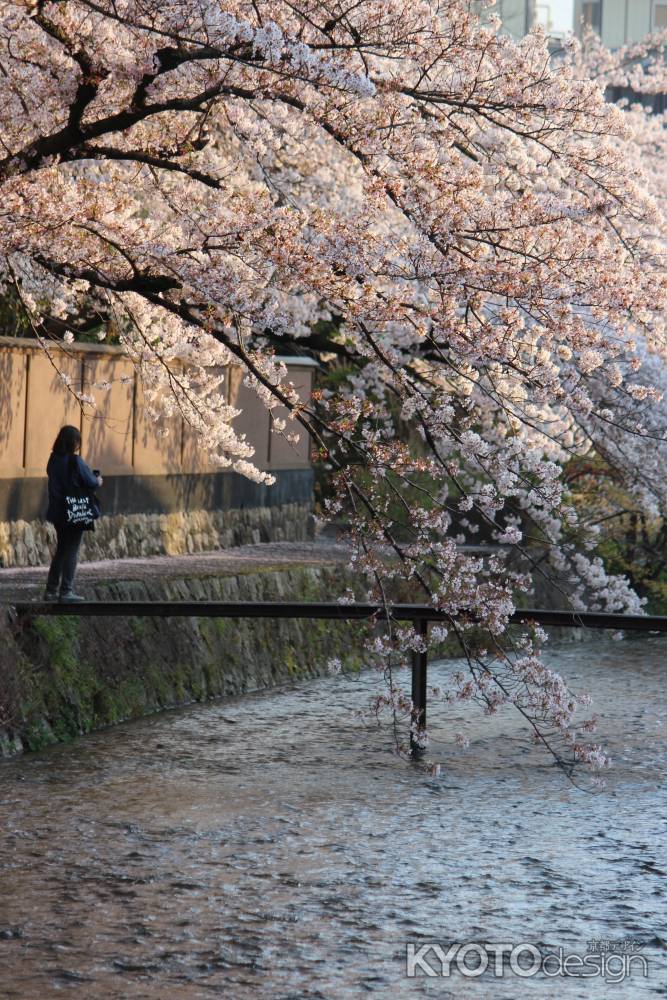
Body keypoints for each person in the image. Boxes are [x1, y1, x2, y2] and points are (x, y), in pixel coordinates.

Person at [44, 425, 103, 603]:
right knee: (72, 550)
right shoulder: (75, 461)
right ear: (73, 442)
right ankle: (66, 591)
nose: (78, 444)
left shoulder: (52, 460)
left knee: (61, 549)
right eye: (77, 440)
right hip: (74, 511)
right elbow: (90, 481)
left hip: (57, 511)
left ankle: (51, 590)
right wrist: (98, 480)